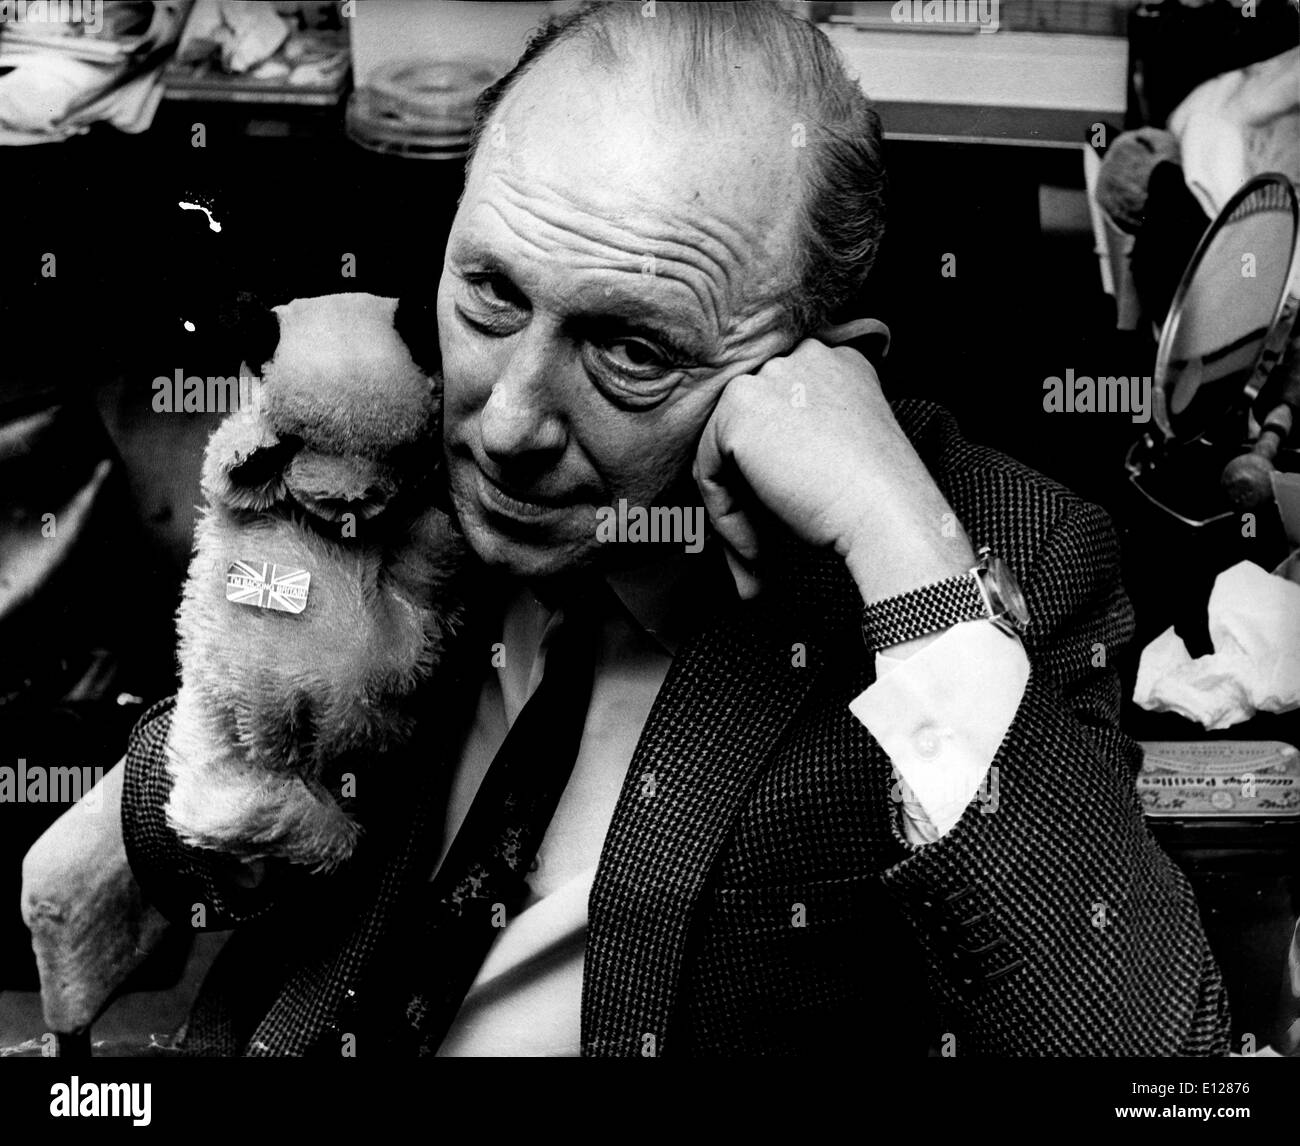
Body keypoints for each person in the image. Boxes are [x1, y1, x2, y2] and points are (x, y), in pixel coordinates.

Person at [122, 1, 1229, 1057]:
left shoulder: (1001, 552)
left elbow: (1152, 1055)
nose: (507, 423)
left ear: (818, 371)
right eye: (493, 296)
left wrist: (900, 550)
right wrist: (220, 717)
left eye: (632, 354)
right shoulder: (382, 435)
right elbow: (198, 847)